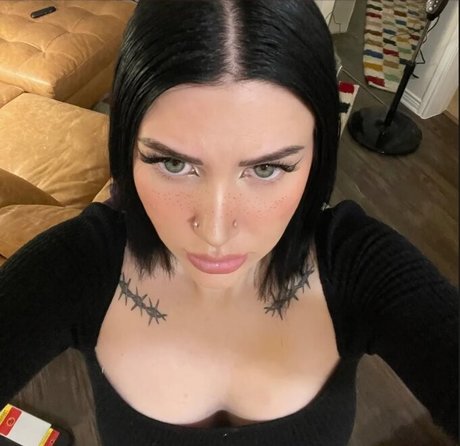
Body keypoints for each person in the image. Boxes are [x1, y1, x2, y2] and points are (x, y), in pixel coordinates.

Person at [1, 0, 458, 445]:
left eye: (267, 168)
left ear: (318, 155)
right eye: (174, 164)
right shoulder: (79, 266)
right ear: (127, 148)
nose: (216, 232)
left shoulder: (361, 267)